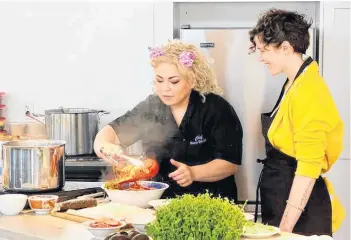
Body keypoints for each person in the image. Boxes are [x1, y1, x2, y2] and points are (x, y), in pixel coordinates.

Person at [94, 40, 243, 201]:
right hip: (161, 203)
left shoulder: (216, 109)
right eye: (159, 80)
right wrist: (106, 146)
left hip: (213, 203)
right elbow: (109, 134)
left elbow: (229, 164)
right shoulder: (151, 107)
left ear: (192, 80)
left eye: (174, 81)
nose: (165, 88)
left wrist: (193, 173)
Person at [249, 9, 345, 236]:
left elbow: (309, 167)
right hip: (281, 198)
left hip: (302, 214)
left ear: (285, 47)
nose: (260, 57)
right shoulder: (293, 83)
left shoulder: (308, 91)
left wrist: (285, 229)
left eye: (264, 50)